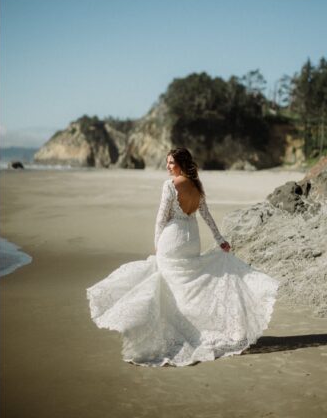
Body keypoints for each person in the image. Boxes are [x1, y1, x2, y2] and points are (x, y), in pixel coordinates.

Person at [86, 147, 278, 366]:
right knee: (186, 287)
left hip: (173, 239)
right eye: (167, 163)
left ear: (181, 163)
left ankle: (175, 335)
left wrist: (157, 243)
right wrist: (219, 239)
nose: (168, 167)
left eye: (171, 163)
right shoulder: (197, 186)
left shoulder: (170, 186)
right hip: (191, 241)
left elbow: (161, 219)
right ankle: (194, 330)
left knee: (168, 287)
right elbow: (206, 216)